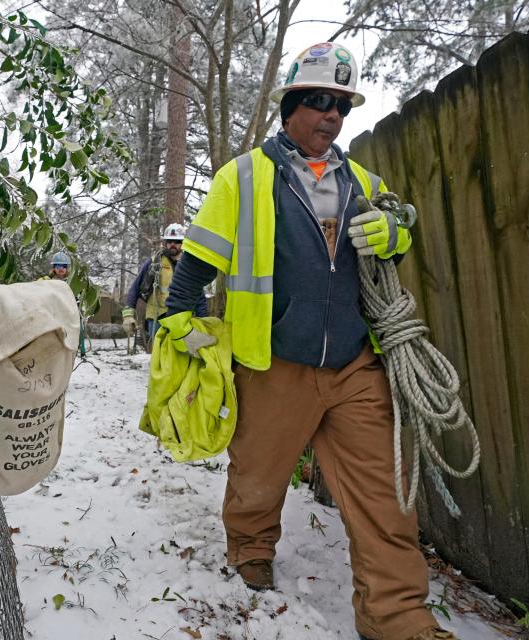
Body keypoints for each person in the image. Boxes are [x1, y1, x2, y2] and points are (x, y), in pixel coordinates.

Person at [156, 43, 454, 640]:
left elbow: (396, 238)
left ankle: (399, 618)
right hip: (273, 363)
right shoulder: (241, 178)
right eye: (319, 102)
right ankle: (250, 549)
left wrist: (394, 231)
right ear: (291, 105)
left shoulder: (364, 180)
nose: (331, 116)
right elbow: (198, 263)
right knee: (257, 480)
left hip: (354, 364)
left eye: (341, 106)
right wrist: (178, 319)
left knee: (386, 497)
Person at [122, 223, 208, 348]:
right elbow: (135, 287)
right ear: (165, 243)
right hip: (156, 317)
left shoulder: (189, 266)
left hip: (181, 316)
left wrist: (202, 319)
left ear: (183, 243)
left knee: (181, 352)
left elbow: (199, 293)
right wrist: (128, 315)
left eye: (177, 241)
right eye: (170, 241)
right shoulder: (154, 263)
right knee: (158, 351)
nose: (173, 244)